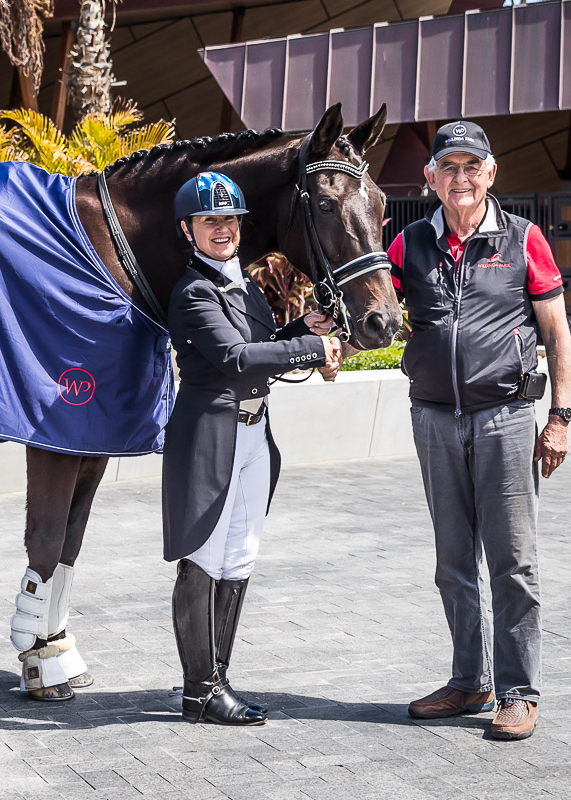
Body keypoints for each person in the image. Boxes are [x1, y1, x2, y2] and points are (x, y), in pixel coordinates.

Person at [388, 121, 571, 740]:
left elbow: (558, 335)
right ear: (431, 178)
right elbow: (374, 311)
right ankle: (470, 680)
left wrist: (559, 419)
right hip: (434, 419)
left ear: (491, 174)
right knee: (452, 562)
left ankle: (518, 692)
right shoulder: (409, 243)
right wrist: (324, 332)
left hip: (508, 419)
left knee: (513, 562)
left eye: (472, 167)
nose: (460, 178)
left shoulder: (523, 239)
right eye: (449, 167)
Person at [163, 172, 342, 726]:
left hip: (253, 433)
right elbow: (236, 359)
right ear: (188, 229)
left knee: (238, 555)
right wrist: (313, 348)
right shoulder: (193, 292)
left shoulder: (242, 286)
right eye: (209, 220)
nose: (223, 229)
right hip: (211, 436)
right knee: (202, 557)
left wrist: (301, 328)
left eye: (230, 220)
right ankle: (199, 690)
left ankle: (217, 680)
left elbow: (262, 345)